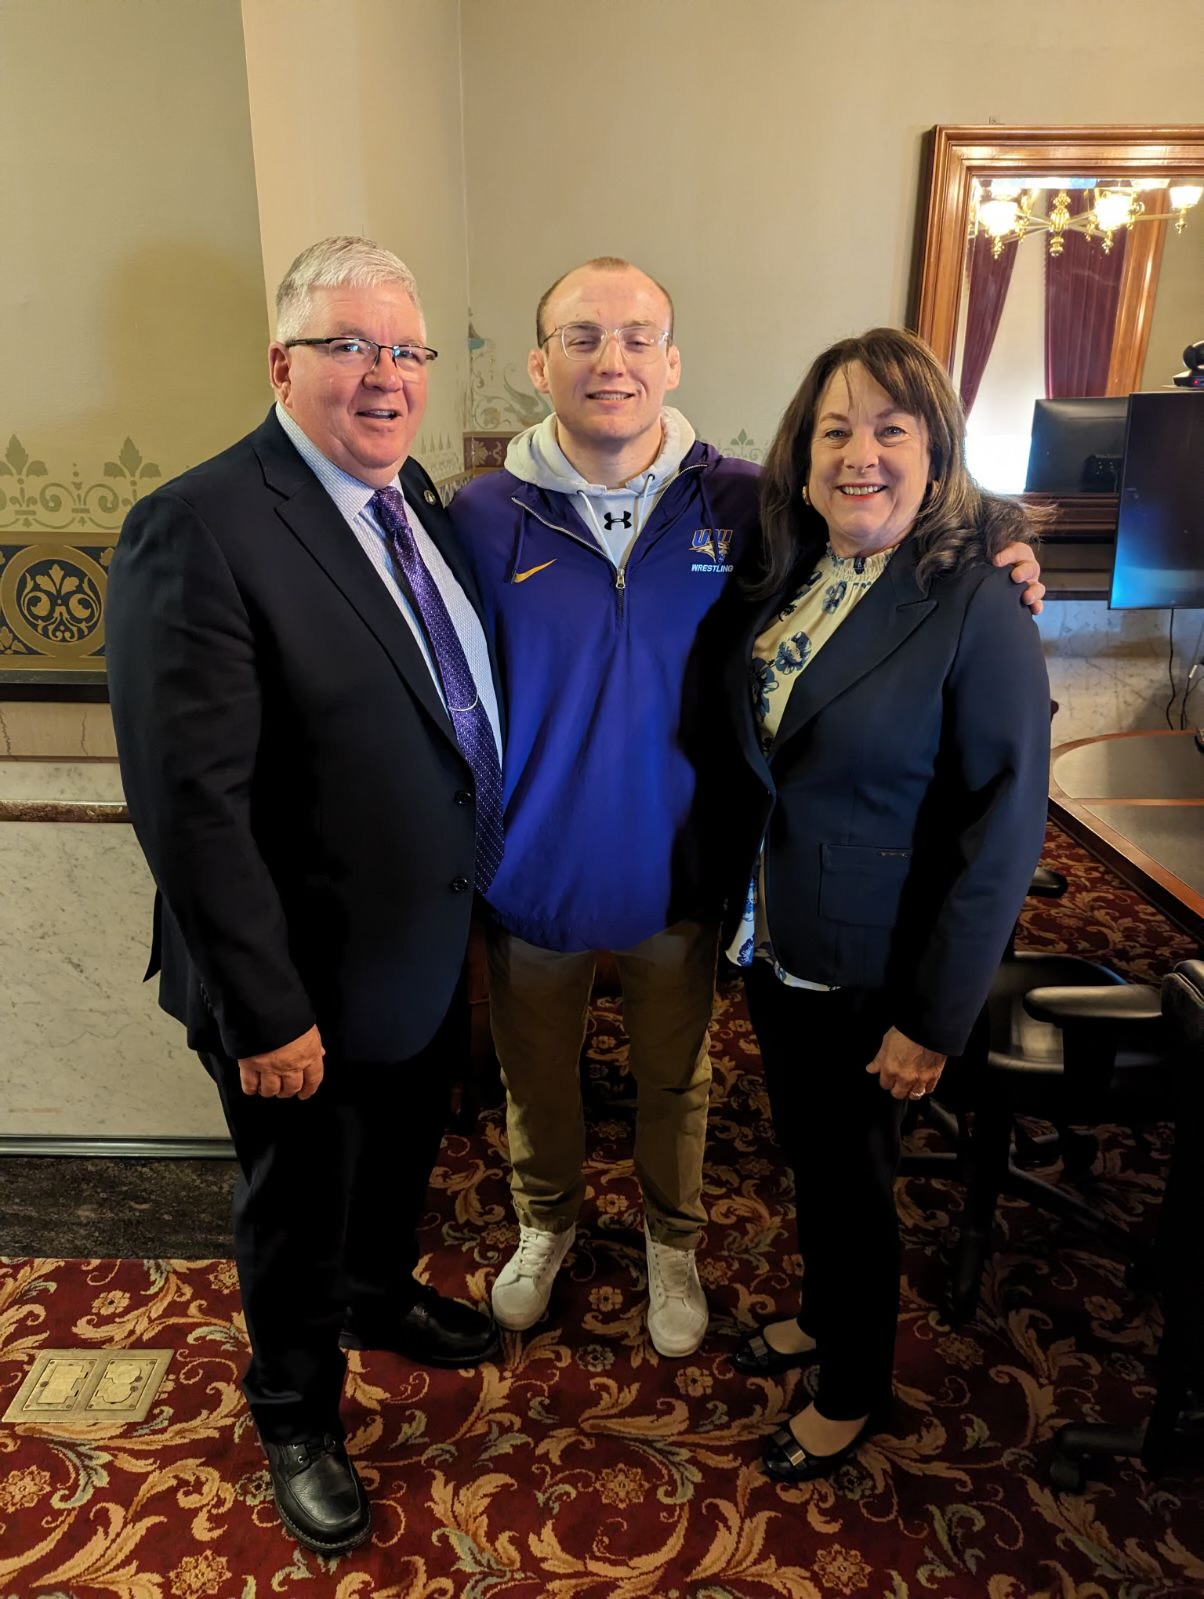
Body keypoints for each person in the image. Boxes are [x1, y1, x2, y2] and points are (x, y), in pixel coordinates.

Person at [449, 259, 1046, 1358]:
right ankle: (545, 1226)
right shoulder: (481, 515)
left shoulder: (740, 500)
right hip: (531, 863)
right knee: (536, 1082)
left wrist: (1003, 539)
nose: (611, 359)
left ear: (673, 363)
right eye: (582, 337)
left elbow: (894, 521)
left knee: (676, 1080)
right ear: (540, 365)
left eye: (637, 337)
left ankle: (672, 1244)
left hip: (690, 869)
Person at [105, 237, 502, 1556]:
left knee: (393, 1166)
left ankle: (380, 1292)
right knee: (296, 1203)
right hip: (296, 978)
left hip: (420, 941)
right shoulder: (203, 521)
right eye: (350, 347)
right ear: (285, 362)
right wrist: (264, 1009)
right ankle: (293, 1407)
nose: (384, 377)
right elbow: (191, 806)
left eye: (405, 350)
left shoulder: (417, 496)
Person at [721, 327, 1051, 1482]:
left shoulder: (977, 604)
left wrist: (933, 1017)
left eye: (890, 428)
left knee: (857, 1185)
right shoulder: (794, 570)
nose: (859, 454)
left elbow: (1000, 832)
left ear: (936, 449)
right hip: (778, 939)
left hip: (880, 969)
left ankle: (852, 1386)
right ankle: (822, 1316)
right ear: (802, 457)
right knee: (812, 1161)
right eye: (834, 430)